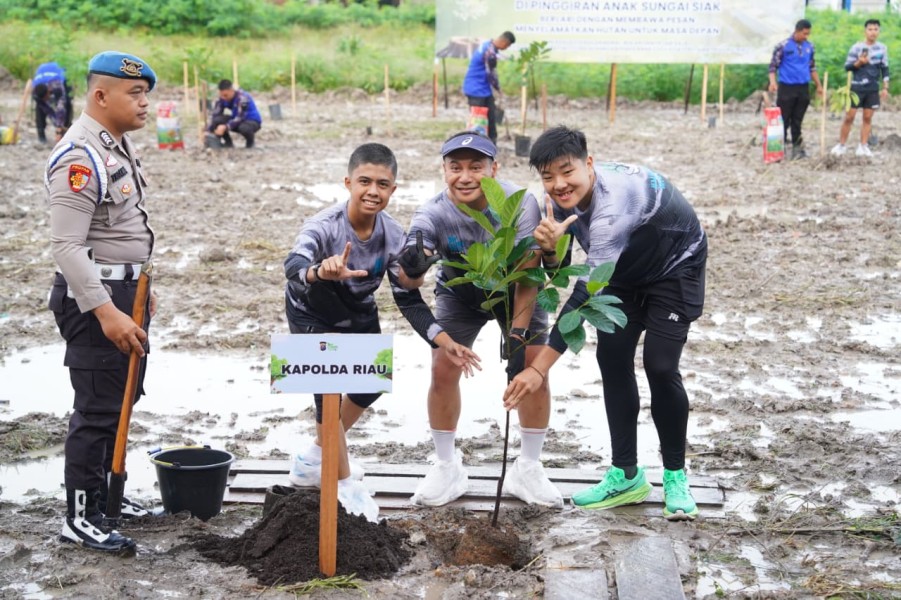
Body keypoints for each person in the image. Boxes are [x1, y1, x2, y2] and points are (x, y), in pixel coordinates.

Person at [503, 126, 708, 521]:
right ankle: (626, 474)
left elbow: (583, 296)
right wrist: (549, 248)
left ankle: (675, 476)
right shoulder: (557, 202)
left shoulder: (613, 207)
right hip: (622, 270)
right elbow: (560, 269)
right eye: (548, 177)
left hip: (676, 266)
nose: (559, 185)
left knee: (661, 367)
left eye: (567, 172)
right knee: (613, 361)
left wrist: (537, 368)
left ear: (589, 163)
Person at [396, 131, 563, 509]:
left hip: (516, 290)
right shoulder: (432, 213)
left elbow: (527, 273)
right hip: (461, 293)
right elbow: (411, 270)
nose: (465, 176)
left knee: (535, 369)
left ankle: (529, 467)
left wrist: (518, 336)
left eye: (476, 167)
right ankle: (446, 465)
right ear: (444, 170)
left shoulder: (520, 205)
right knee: (442, 368)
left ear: (494, 168)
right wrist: (414, 261)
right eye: (456, 167)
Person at [45, 51, 159, 554]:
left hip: (126, 293)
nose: (145, 103)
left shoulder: (115, 146)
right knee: (96, 409)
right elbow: (67, 247)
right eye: (135, 93)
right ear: (100, 96)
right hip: (95, 299)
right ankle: (81, 516)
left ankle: (107, 498)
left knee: (123, 398)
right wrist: (106, 311)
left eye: (146, 94)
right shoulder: (79, 157)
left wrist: (137, 294)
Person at [283, 142, 422, 522]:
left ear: (393, 189)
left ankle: (314, 456)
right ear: (348, 182)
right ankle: (342, 483)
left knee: (369, 383)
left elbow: (407, 292)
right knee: (328, 397)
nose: (372, 191)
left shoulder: (393, 234)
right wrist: (319, 270)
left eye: (382, 183)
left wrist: (417, 274)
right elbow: (293, 263)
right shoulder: (324, 225)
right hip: (310, 308)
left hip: (357, 308)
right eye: (364, 181)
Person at [831, 19, 891, 158]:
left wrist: (885, 86)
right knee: (849, 116)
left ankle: (863, 146)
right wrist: (859, 63)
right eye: (870, 29)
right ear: (865, 31)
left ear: (879, 31)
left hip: (873, 88)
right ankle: (841, 145)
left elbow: (885, 68)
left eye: (876, 29)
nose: (873, 32)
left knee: (868, 117)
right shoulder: (856, 47)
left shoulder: (882, 48)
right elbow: (848, 67)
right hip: (856, 87)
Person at [767, 19, 824, 161]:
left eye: (808, 34)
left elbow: (812, 67)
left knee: (797, 120)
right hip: (787, 87)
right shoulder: (783, 46)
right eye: (804, 33)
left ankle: (797, 149)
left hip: (803, 87)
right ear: (797, 31)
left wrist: (818, 85)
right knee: (784, 120)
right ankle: (778, 150)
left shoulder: (810, 47)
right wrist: (773, 82)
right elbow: (773, 66)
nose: (806, 36)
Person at [462, 31, 515, 144]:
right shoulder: (490, 51)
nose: (506, 48)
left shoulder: (489, 45)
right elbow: (491, 73)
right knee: (478, 120)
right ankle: (474, 145)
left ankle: (491, 144)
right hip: (476, 88)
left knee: (491, 117)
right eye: (508, 45)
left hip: (484, 89)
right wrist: (498, 88)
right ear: (504, 41)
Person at [207, 79, 262, 148]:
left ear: (231, 90)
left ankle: (250, 143)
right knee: (217, 120)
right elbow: (216, 113)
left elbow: (241, 117)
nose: (223, 97)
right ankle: (228, 143)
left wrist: (225, 127)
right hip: (236, 120)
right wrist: (209, 130)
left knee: (244, 128)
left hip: (251, 121)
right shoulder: (222, 98)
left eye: (225, 95)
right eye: (221, 95)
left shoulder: (242, 98)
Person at [32, 61, 74, 144]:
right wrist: (56, 122)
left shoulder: (57, 85)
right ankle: (41, 134)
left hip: (61, 72)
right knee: (39, 107)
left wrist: (59, 128)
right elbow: (47, 109)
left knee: (67, 103)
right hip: (43, 70)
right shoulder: (35, 93)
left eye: (46, 97)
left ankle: (66, 129)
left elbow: (61, 107)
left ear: (49, 90)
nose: (47, 100)